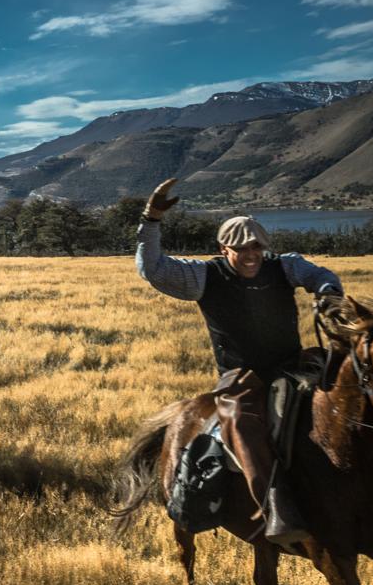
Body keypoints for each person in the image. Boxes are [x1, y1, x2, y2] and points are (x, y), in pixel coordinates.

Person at [135, 177, 343, 546]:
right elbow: (154, 269)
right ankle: (275, 504)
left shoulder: (284, 266)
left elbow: (319, 275)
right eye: (240, 249)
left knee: (356, 384)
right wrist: (151, 221)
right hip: (241, 377)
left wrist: (327, 291)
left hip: (292, 365)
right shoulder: (204, 276)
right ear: (223, 248)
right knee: (243, 424)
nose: (250, 255)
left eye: (256, 247)